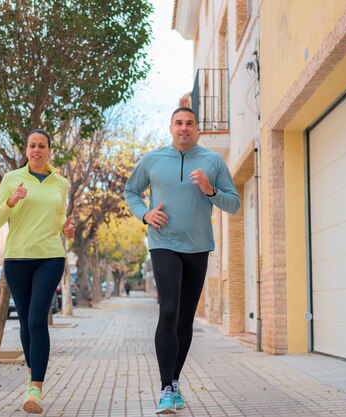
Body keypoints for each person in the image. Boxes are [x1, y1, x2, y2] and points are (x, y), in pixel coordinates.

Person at [124, 107, 240, 414]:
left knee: (186, 317)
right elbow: (131, 192)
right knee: (170, 310)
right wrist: (145, 214)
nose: (184, 128)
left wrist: (210, 189)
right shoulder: (152, 160)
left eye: (189, 123)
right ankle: (165, 388)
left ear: (197, 129)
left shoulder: (213, 161)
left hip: (199, 247)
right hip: (163, 244)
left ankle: (174, 381)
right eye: (179, 123)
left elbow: (234, 203)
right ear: (171, 127)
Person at [0, 129, 75, 414]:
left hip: (51, 256)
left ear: (50, 150)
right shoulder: (12, 179)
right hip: (17, 258)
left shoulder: (61, 183)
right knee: (26, 322)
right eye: (32, 146)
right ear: (26, 150)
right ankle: (31, 375)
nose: (37, 150)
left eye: (42, 146)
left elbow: (60, 216)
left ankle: (35, 388)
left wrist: (66, 228)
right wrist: (11, 201)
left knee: (38, 318)